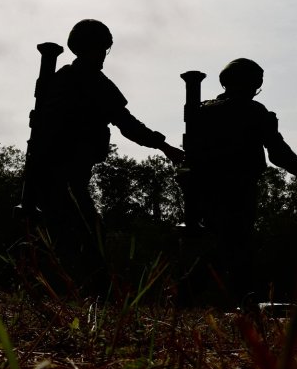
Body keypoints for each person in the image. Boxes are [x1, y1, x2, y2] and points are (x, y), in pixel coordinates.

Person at [31, 19, 183, 287]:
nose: (103, 55)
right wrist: (164, 146)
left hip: (60, 170)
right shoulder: (90, 82)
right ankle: (92, 291)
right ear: (90, 48)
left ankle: (77, 288)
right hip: (62, 171)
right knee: (85, 233)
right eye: (101, 49)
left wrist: (162, 145)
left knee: (72, 231)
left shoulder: (65, 79)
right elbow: (127, 123)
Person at [182, 58, 297, 304]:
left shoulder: (204, 110)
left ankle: (235, 296)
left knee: (229, 242)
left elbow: (192, 150)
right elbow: (277, 150)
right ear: (252, 84)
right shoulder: (254, 111)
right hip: (238, 188)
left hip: (204, 189)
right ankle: (192, 291)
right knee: (235, 242)